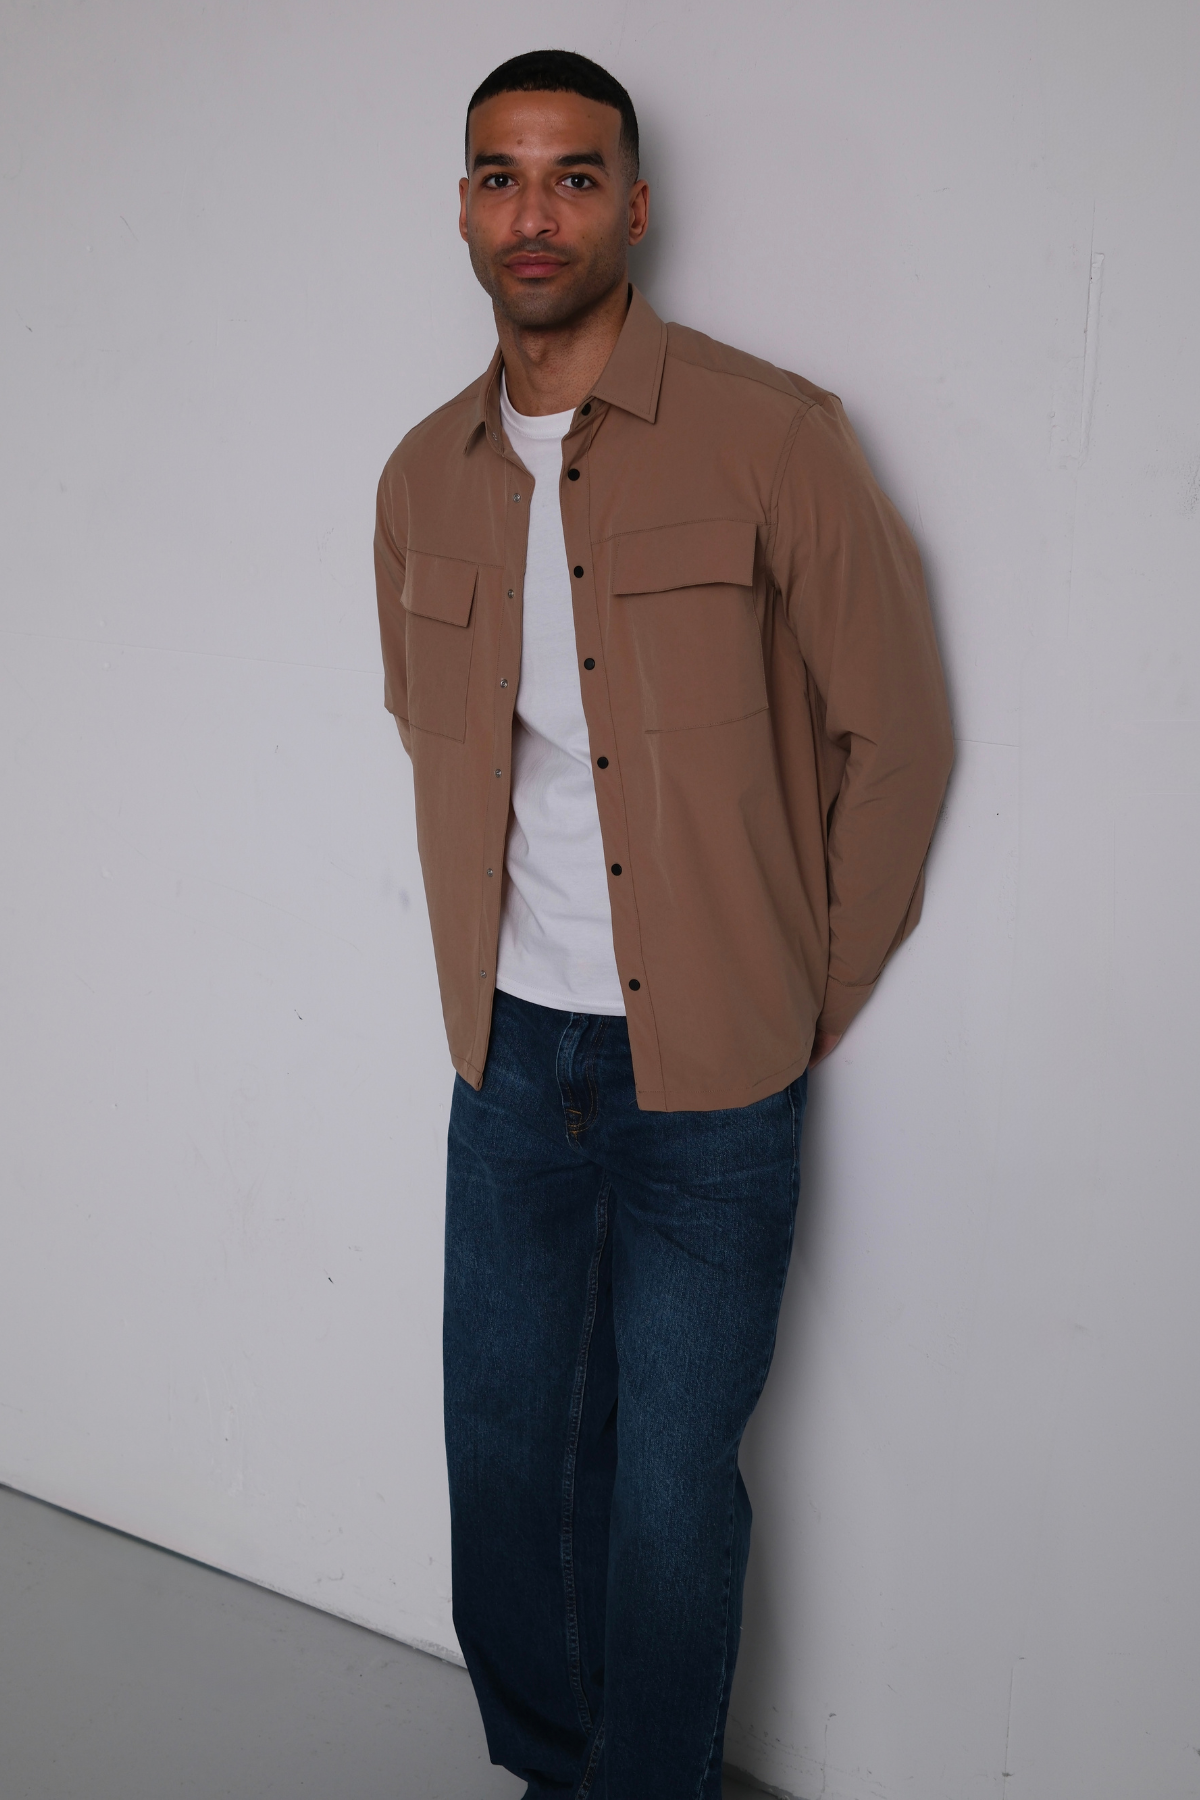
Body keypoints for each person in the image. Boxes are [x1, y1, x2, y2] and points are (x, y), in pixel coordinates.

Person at [374, 48, 953, 1800]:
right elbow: (432, 732)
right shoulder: (420, 479)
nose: (532, 212)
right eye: (499, 175)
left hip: (712, 1071)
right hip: (507, 1060)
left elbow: (898, 731)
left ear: (635, 204)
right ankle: (553, 1771)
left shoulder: (772, 435)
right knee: (503, 1461)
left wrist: (812, 985)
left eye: (572, 175)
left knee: (670, 1485)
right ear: (462, 209)